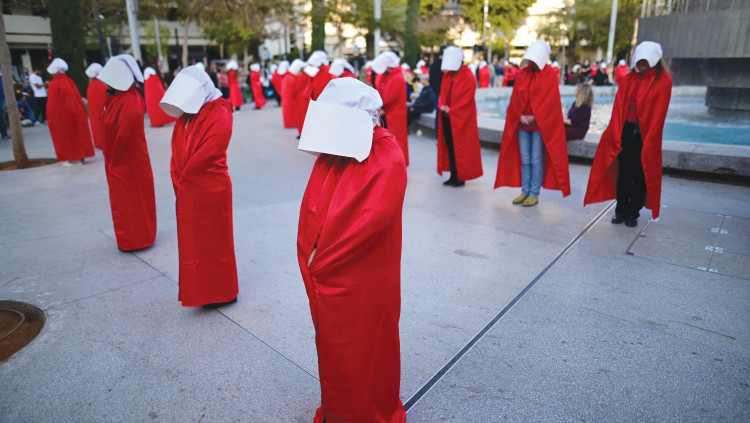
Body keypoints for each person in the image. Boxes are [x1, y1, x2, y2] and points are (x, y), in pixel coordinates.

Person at [296, 77, 407, 423]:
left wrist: (321, 263)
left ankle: (370, 412)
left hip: (365, 277)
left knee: (367, 347)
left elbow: (371, 219)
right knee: (337, 348)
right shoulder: (336, 152)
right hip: (332, 272)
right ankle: (341, 411)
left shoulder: (386, 155)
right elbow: (314, 206)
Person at [159, 65, 239, 308]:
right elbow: (177, 146)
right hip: (189, 186)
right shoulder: (189, 113)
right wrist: (178, 175)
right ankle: (202, 291)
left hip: (210, 188)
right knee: (195, 242)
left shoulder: (220, 111)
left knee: (214, 242)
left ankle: (222, 292)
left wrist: (184, 178)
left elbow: (211, 151)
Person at [585, 41, 672, 227]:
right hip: (626, 130)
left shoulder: (663, 80)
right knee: (624, 173)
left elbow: (659, 113)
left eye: (645, 63)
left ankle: (634, 212)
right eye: (639, 62)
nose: (641, 66)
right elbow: (618, 108)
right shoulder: (629, 79)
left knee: (640, 175)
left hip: (645, 136)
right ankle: (621, 210)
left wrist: (650, 139)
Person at [494, 40, 571, 206]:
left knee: (535, 159)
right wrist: (519, 115)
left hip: (538, 126)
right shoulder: (523, 74)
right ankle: (525, 191)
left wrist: (534, 117)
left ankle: (534, 192)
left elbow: (551, 102)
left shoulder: (550, 74)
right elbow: (516, 98)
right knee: (525, 159)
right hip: (523, 124)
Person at [97, 54, 157, 251]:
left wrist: (115, 160)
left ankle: (136, 238)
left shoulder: (129, 99)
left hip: (126, 160)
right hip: (119, 158)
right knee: (126, 199)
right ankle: (131, 237)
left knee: (131, 198)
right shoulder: (117, 97)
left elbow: (125, 135)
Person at [438, 46, 483, 187]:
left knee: (460, 147)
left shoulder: (468, 76)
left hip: (461, 118)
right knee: (450, 146)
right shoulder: (448, 75)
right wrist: (442, 105)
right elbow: (442, 94)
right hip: (447, 116)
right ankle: (453, 175)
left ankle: (460, 176)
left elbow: (467, 99)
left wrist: (451, 109)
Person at [46, 58, 95, 166]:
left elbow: (52, 104)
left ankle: (72, 159)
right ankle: (80, 156)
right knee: (76, 135)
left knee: (66, 137)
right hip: (74, 113)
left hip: (62, 116)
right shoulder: (69, 81)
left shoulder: (54, 84)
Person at [373, 51, 409, 166]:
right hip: (388, 112)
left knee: (396, 139)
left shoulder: (396, 77)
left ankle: (396, 162)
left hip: (394, 113)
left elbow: (391, 96)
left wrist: (382, 108)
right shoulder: (388, 76)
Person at [85, 63, 108, 149]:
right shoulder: (103, 84)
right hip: (103, 110)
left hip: (94, 111)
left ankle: (99, 142)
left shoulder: (91, 86)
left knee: (96, 126)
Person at [280, 60, 297, 129]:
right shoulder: (289, 76)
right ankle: (291, 122)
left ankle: (290, 122)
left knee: (288, 108)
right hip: (289, 96)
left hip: (287, 96)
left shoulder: (287, 76)